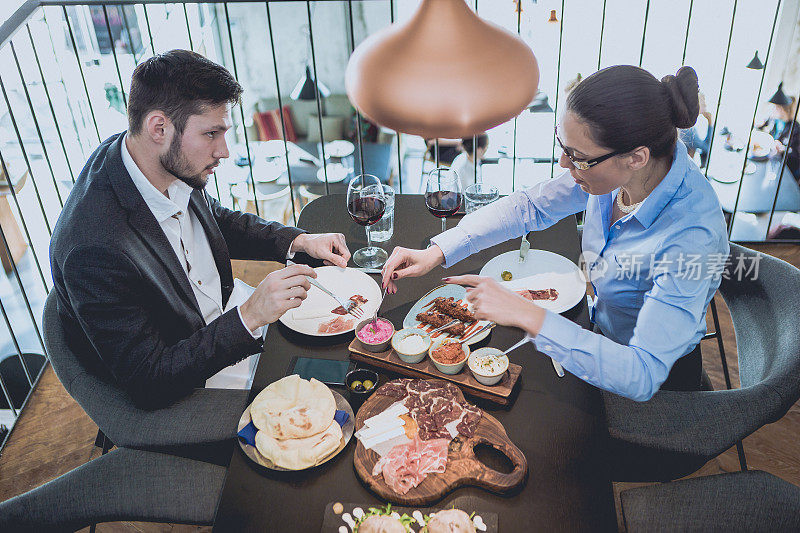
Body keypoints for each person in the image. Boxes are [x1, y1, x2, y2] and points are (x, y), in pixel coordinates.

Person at [381, 65, 729, 401]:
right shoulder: (614, 171)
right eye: (562, 146)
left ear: (636, 157)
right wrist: (437, 251)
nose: (564, 164)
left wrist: (525, 312)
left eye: (577, 157)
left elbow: (641, 372)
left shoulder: (692, 235)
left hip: (657, 391)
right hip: (597, 332)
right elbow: (531, 207)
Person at [50, 50, 351, 408]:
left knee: (348, 359)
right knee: (334, 407)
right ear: (158, 127)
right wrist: (250, 315)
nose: (223, 151)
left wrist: (298, 241)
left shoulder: (150, 157)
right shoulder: (94, 250)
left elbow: (215, 219)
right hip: (193, 380)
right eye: (211, 134)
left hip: (226, 322)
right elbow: (150, 380)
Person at [758, 92, 800, 182]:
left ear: (782, 110)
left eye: (775, 107)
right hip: (771, 160)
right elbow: (762, 125)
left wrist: (783, 149)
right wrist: (758, 124)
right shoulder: (774, 119)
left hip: (786, 169)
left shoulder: (796, 129)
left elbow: (796, 155)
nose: (772, 109)